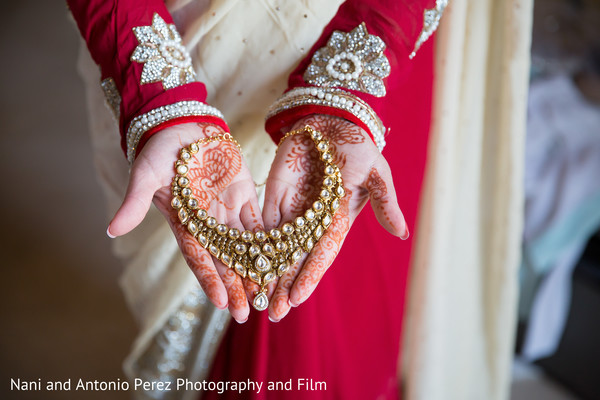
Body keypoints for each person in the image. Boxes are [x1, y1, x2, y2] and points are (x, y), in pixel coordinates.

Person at [68, 0, 443, 398]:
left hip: (371, 37)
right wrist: (158, 98)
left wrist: (350, 87)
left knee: (334, 315)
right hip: (187, 37)